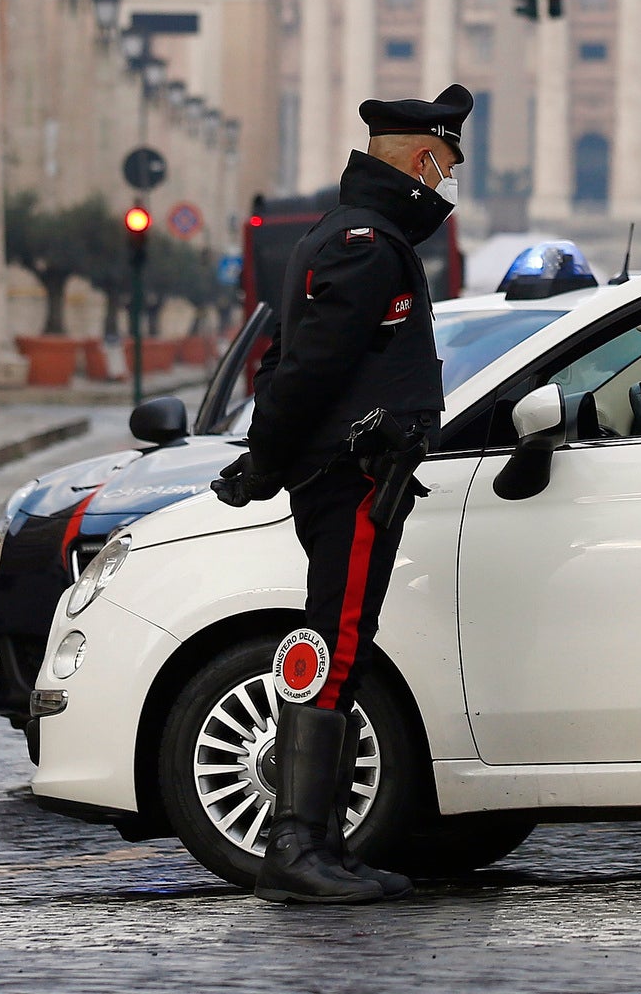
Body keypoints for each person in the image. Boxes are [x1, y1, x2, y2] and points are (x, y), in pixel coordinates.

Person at [209, 83, 471, 906]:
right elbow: (309, 368)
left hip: (347, 474)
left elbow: (279, 358)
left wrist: (269, 456)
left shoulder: (349, 233)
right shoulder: (366, 243)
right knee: (338, 642)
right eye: (450, 164)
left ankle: (319, 840)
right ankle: (294, 844)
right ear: (425, 159)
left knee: (341, 644)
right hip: (352, 477)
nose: (453, 183)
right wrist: (266, 457)